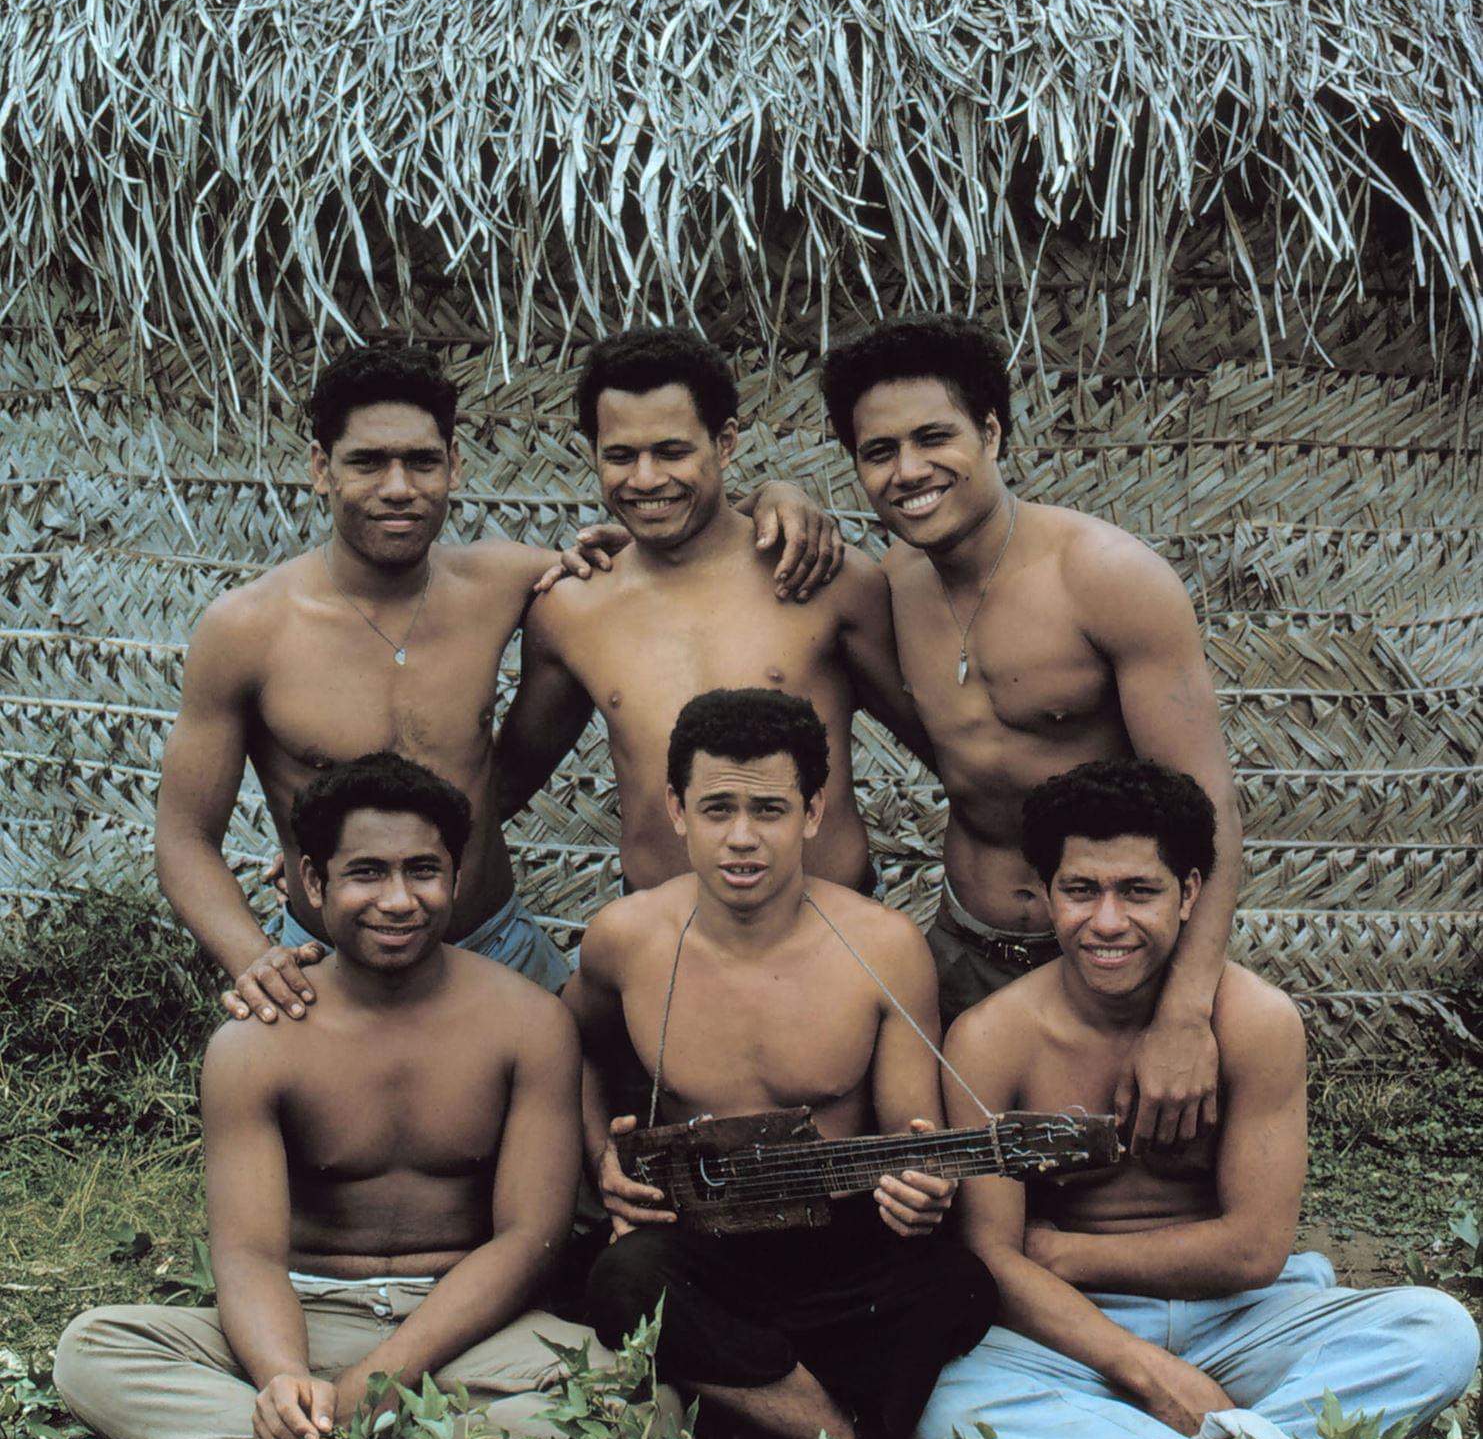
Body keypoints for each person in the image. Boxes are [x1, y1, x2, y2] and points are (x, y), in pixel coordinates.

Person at [155, 341, 837, 1025]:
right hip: (327, 965)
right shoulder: (246, 629)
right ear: (319, 469)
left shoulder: (509, 581)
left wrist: (778, 495)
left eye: (421, 462)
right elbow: (183, 838)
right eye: (366, 462)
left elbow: (676, 536)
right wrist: (252, 957)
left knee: (572, 1115)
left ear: (453, 465)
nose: (397, 488)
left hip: (496, 945)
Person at [913, 760, 1480, 1439]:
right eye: (1080, 891)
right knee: (943, 1407)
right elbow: (992, 1261)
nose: (1106, 922)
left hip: (1245, 1319)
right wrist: (1147, 1371)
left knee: (1438, 1330)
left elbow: (1252, 1250)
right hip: (1081, 1336)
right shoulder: (990, 1038)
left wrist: (1063, 1252)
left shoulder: (1255, 1020)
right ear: (1044, 895)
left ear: (1187, 894)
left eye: (1137, 892)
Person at [56, 753, 602, 1439]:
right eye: (367, 873)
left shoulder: (530, 1023)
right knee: (92, 1349)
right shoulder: (259, 1040)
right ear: (313, 882)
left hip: (461, 1327)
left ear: (456, 875)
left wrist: (380, 1382)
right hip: (310, 1317)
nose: (399, 900)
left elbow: (529, 1239)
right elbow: (247, 1251)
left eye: (423, 870)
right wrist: (283, 1379)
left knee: (626, 1396)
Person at [821, 317, 1242, 1151]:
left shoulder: (1103, 578)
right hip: (963, 945)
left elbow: (1211, 812)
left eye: (933, 437)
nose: (907, 471)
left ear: (990, 431)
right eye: (878, 452)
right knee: (944, 1204)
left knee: (1111, 1187)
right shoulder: (890, 589)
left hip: (1108, 954)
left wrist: (1185, 1015)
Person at [566, 688, 998, 1439]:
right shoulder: (625, 940)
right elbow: (574, 1055)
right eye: (716, 808)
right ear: (675, 809)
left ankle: (750, 1412)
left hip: (840, 1241)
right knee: (621, 1279)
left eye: (767, 810)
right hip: (697, 1233)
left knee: (958, 1284)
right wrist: (602, 1155)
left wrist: (923, 1188)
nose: (740, 839)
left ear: (811, 811)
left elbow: (913, 1136)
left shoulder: (883, 946)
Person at [497, 328, 935, 894]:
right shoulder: (571, 609)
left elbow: (948, 742)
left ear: (725, 443)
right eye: (621, 456)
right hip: (668, 943)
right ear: (593, 455)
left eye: (673, 451)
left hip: (830, 936)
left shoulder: (823, 578)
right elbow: (507, 781)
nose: (646, 479)